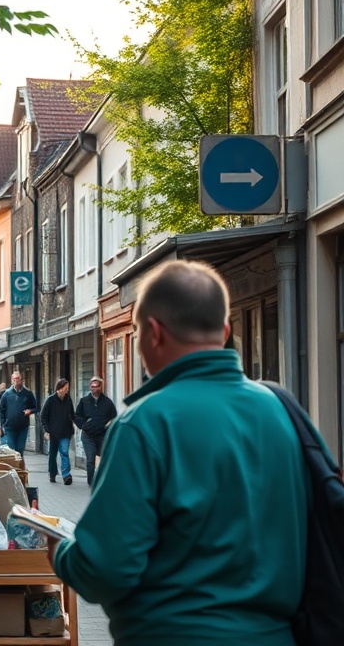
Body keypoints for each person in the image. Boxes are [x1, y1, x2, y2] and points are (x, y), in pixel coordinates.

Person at [49, 260, 309, 646]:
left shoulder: (144, 424)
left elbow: (105, 570)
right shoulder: (280, 412)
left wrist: (61, 552)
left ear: (153, 333)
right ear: (224, 331)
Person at [73, 375, 117, 486]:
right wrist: (83, 426)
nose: (94, 389)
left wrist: (108, 425)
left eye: (96, 386)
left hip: (102, 435)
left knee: (105, 458)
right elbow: (77, 416)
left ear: (101, 387)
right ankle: (91, 483)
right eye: (92, 386)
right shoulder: (84, 401)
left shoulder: (107, 402)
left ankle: (104, 480)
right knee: (90, 460)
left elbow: (114, 417)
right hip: (88, 436)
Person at [40, 378, 75, 484]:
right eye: (65, 388)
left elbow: (72, 414)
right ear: (59, 389)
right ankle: (52, 473)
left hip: (65, 432)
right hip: (53, 433)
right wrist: (47, 430)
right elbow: (43, 416)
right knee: (52, 454)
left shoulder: (68, 399)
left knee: (64, 453)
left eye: (68, 388)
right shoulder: (50, 400)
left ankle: (66, 475)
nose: (67, 390)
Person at [0, 371, 37, 457]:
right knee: (11, 450)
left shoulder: (28, 394)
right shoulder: (6, 394)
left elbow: (37, 407)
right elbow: (1, 411)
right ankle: (13, 469)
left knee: (20, 449)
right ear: (12, 380)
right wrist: (1, 426)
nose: (16, 381)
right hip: (9, 427)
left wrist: (30, 411)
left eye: (18, 379)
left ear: (22, 380)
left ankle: (19, 469)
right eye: (14, 379)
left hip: (23, 427)